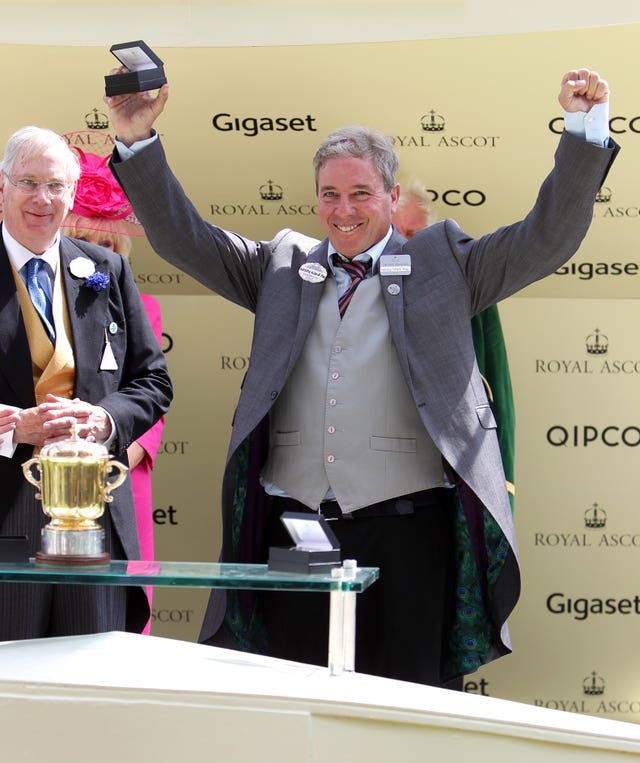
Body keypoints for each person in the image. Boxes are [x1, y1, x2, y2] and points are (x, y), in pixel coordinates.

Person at [105, 67, 617, 687]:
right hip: (297, 533)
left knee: (407, 708)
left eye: (361, 194)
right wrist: (137, 141)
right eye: (329, 194)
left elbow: (548, 238)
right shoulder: (281, 266)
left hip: (409, 536)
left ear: (392, 195)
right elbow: (185, 239)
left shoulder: (444, 264)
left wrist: (584, 129)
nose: (342, 211)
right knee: (296, 698)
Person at [0, 126, 172, 639]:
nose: (42, 198)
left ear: (71, 195)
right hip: (5, 517)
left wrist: (103, 419)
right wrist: (11, 428)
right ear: (2, 187)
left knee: (89, 672)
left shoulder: (105, 268)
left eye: (55, 186)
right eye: (28, 182)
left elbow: (152, 382)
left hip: (90, 518)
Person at [61, 148, 166, 633]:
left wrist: (129, 445)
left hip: (117, 463)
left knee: (122, 597)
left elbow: (150, 384)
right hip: (46, 464)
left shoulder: (137, 301)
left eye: (101, 239)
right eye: (79, 236)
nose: (90, 249)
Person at [393, 183, 515, 507]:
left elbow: (495, 390)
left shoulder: (467, 289)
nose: (402, 242)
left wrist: (500, 484)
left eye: (412, 231)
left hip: (446, 481)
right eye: (392, 232)